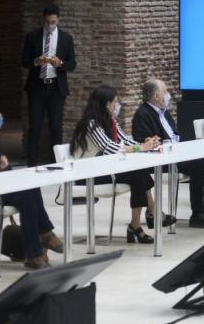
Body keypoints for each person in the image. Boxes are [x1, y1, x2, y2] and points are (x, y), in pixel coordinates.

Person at [70, 85, 165, 244]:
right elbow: (109, 148)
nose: (117, 105)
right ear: (107, 104)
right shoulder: (91, 124)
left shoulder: (110, 121)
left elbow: (124, 140)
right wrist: (140, 148)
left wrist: (145, 143)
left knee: (139, 173)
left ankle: (139, 222)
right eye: (115, 102)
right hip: (87, 173)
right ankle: (147, 215)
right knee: (137, 175)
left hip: (105, 169)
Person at [131, 77, 204, 229]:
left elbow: (175, 135)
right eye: (165, 91)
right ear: (155, 96)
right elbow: (145, 142)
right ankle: (197, 214)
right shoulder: (142, 115)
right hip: (163, 159)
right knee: (198, 165)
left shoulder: (164, 112)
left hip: (178, 153)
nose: (167, 94)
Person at [0, 105, 64, 268]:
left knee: (31, 185)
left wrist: (1, 164)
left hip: (0, 182)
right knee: (26, 195)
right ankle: (42, 238)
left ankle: (38, 246)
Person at [20, 4, 77, 166]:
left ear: (58, 20)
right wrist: (36, 62)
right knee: (35, 127)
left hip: (56, 88)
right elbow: (24, 62)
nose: (50, 25)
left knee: (56, 127)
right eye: (47, 22)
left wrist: (60, 63)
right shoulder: (32, 37)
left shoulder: (66, 38)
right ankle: (32, 164)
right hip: (36, 87)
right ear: (43, 20)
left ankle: (56, 163)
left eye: (53, 22)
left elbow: (72, 64)